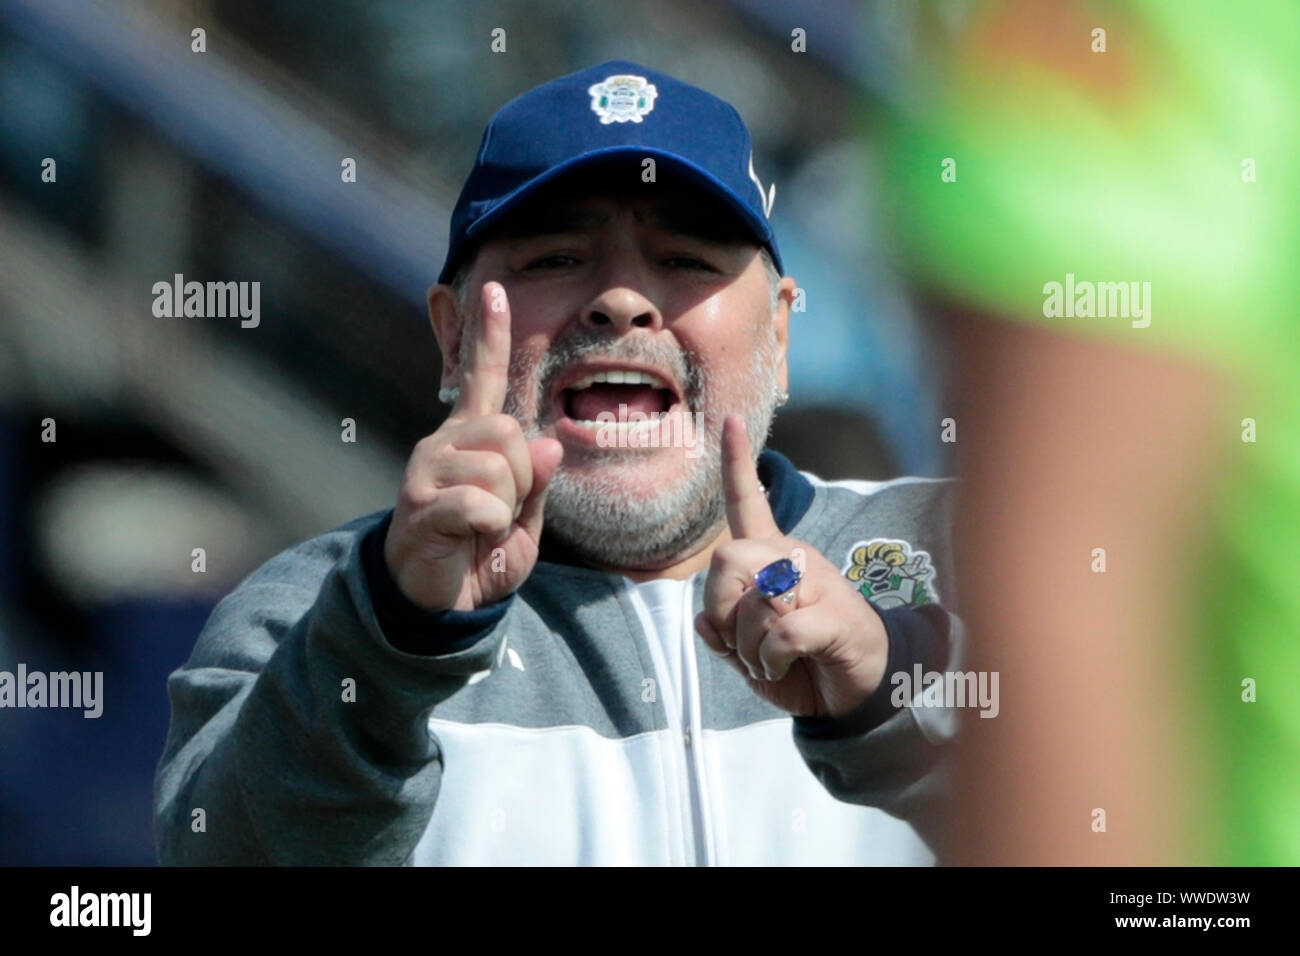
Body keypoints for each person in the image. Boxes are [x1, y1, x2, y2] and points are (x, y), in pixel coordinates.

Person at [153, 61, 963, 866]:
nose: (621, 299)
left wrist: (887, 709)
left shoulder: (977, 552)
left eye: (685, 257)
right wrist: (393, 643)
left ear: (779, 336)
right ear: (452, 335)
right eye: (553, 258)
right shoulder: (304, 617)